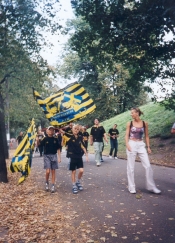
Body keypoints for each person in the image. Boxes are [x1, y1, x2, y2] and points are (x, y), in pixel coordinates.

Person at [125, 107, 161, 194]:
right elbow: (126, 135)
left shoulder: (145, 123)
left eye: (132, 112)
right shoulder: (129, 123)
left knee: (148, 166)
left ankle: (151, 187)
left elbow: (147, 136)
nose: (131, 114)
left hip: (141, 145)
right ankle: (132, 187)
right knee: (131, 167)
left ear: (137, 113)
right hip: (132, 144)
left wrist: (148, 147)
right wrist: (127, 144)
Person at [63, 124, 88, 194]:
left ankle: (78, 182)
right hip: (72, 156)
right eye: (75, 129)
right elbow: (63, 134)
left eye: (77, 129)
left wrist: (86, 154)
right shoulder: (69, 137)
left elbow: (83, 146)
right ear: (72, 130)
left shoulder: (80, 137)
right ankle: (74, 185)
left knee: (81, 170)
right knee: (73, 171)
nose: (76, 130)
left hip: (79, 156)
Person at [39, 126, 61, 193]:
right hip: (47, 156)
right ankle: (46, 182)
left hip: (54, 155)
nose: (51, 131)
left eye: (52, 130)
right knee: (48, 171)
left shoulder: (55, 139)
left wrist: (59, 157)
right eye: (50, 130)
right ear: (47, 131)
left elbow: (58, 148)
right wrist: (37, 140)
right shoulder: (45, 139)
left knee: (53, 171)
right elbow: (39, 145)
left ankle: (53, 185)